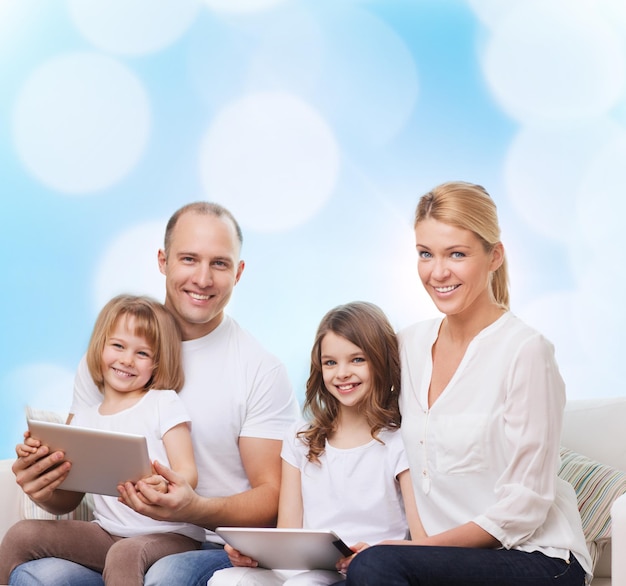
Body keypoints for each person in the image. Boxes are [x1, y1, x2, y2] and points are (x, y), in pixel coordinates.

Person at [9, 202, 299, 586]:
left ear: (239, 272)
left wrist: (197, 508)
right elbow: (71, 492)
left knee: (163, 574)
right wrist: (45, 485)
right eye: (189, 259)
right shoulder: (109, 360)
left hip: (212, 545)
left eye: (219, 264)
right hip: (114, 538)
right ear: (163, 261)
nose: (202, 278)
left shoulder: (259, 368)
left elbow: (273, 496)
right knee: (37, 576)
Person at [342, 181, 593, 586]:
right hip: (443, 559)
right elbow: (364, 439)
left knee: (377, 567)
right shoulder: (408, 345)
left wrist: (413, 550)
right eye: (426, 254)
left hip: (536, 558)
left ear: (494, 256)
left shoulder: (525, 351)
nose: (438, 272)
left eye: (456, 254)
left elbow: (524, 507)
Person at [209, 301, 425, 586]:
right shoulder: (300, 438)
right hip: (307, 570)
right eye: (330, 362)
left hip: (367, 571)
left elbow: (422, 541)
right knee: (227, 580)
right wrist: (254, 555)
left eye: (357, 359)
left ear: (380, 361)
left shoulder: (399, 440)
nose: (342, 373)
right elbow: (288, 533)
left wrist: (373, 555)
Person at [0, 294, 204, 585]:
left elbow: (188, 472)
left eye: (142, 353)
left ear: (157, 364)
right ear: (100, 348)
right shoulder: (84, 418)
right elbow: (69, 491)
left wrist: (168, 483)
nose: (126, 360)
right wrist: (40, 463)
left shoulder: (162, 402)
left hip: (170, 535)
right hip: (108, 533)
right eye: (118, 346)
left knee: (124, 553)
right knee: (21, 534)